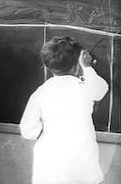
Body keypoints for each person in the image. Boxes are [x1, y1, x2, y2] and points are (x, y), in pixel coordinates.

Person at [20, 36, 109, 184]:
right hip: (81, 164)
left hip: (50, 167)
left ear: (47, 67)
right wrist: (88, 68)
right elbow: (101, 89)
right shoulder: (84, 87)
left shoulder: (41, 92)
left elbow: (28, 130)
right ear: (76, 66)